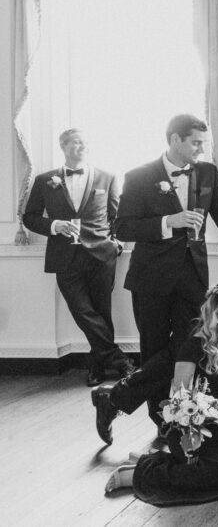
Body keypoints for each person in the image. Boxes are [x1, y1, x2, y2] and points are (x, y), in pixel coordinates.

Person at [113, 114, 218, 425]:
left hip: (192, 276)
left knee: (190, 344)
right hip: (150, 278)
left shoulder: (207, 172)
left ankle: (121, 398)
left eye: (203, 143)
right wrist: (167, 222)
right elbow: (121, 227)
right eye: (195, 143)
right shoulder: (138, 176)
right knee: (154, 347)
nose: (200, 150)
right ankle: (160, 421)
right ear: (175, 139)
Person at [101, 280, 218, 506]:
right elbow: (178, 398)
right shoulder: (194, 345)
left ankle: (155, 462)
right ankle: (137, 474)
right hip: (190, 431)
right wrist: (192, 428)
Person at [22, 128, 133, 386]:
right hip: (64, 256)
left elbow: (116, 216)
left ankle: (97, 367)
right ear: (63, 147)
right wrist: (53, 226)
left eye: (84, 142)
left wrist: (115, 243)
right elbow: (29, 217)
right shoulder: (45, 180)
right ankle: (119, 361)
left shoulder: (107, 177)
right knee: (82, 311)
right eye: (75, 142)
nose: (81, 146)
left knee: (101, 312)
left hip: (101, 255)